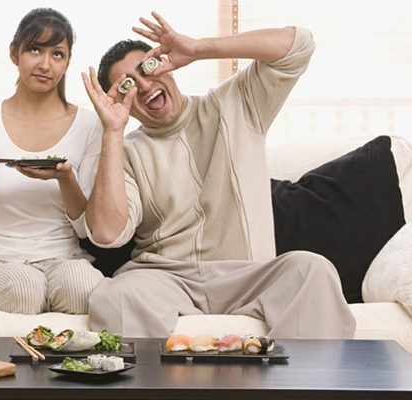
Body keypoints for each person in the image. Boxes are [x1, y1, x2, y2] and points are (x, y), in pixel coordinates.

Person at [82, 11, 356, 338]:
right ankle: (165, 374)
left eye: (147, 69)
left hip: (246, 275)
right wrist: (112, 132)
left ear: (164, 64)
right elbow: (107, 233)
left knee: (313, 270)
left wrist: (198, 49)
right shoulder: (126, 152)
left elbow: (299, 45)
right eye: (127, 85)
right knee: (116, 297)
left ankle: (291, 374)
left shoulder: (234, 103)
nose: (144, 86)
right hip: (167, 279)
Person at [0, 8, 104, 315]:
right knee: (24, 287)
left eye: (57, 54)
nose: (45, 64)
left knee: (86, 290)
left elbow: (84, 229)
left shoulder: (89, 125)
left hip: (64, 259)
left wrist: (66, 179)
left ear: (67, 62)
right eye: (35, 49)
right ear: (15, 53)